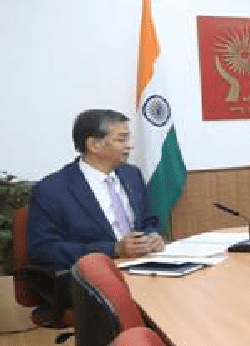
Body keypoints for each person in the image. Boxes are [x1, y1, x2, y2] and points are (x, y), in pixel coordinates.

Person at [27, 109, 164, 304]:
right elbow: (42, 249)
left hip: (140, 268)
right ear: (93, 145)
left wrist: (152, 237)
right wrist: (113, 249)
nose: (130, 145)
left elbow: (149, 220)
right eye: (122, 139)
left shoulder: (132, 175)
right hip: (90, 281)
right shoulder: (51, 189)